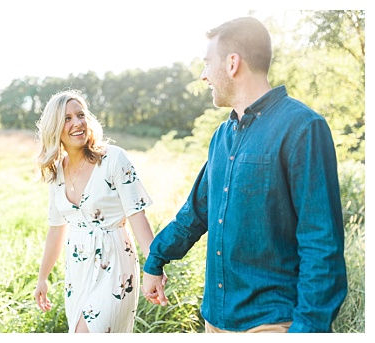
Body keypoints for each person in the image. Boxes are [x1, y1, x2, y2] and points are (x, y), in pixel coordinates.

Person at [141, 16, 347, 333]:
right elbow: (196, 212)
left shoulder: (303, 128)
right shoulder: (222, 136)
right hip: (215, 320)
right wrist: (156, 259)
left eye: (208, 63)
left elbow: (321, 243)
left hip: (272, 322)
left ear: (233, 63)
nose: (203, 75)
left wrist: (308, 330)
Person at [31, 90, 159, 333]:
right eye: (67, 118)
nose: (77, 123)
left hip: (115, 263)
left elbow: (137, 216)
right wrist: (42, 278)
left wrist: (154, 266)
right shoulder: (56, 172)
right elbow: (56, 229)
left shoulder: (113, 159)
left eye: (80, 115)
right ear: (54, 127)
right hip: (77, 270)